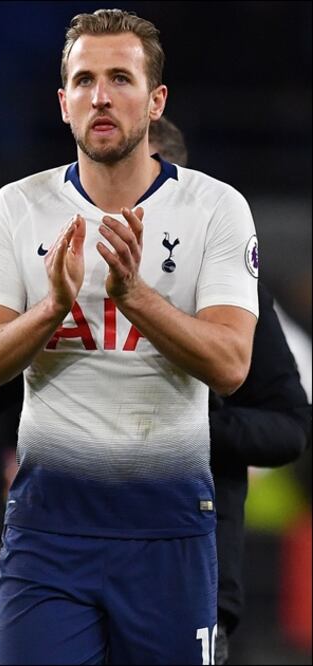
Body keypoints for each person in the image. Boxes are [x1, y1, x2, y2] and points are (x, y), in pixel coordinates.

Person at [0, 9, 260, 664]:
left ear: (154, 101)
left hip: (168, 531)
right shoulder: (17, 207)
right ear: (62, 102)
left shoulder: (215, 208)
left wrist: (134, 298)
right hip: (48, 531)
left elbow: (231, 364)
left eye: (120, 78)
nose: (100, 96)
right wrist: (51, 308)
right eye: (84, 80)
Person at [149, 116, 313, 664]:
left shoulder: (229, 291)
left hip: (194, 570)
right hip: (65, 565)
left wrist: (191, 429)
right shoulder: (63, 280)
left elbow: (290, 423)